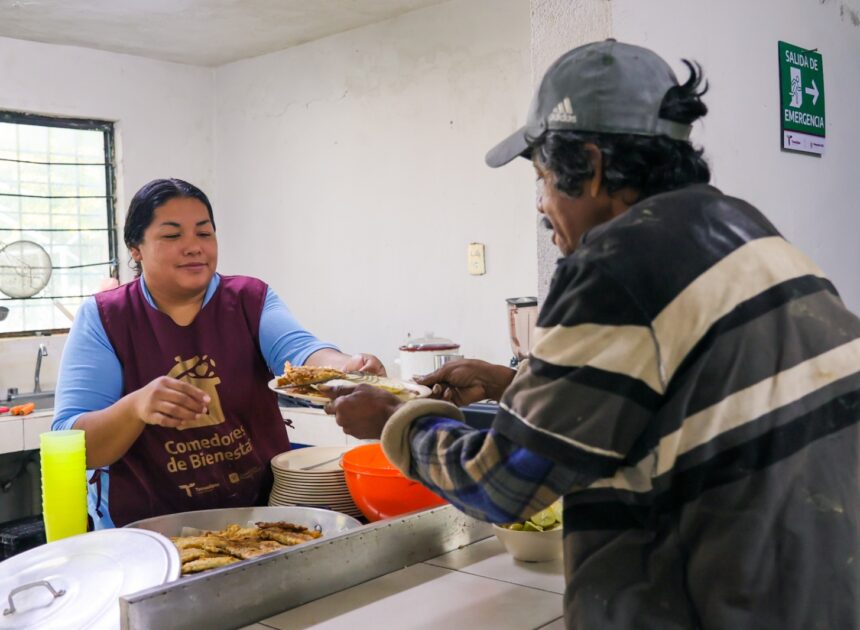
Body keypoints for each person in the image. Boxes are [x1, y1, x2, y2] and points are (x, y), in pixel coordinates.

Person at [324, 41, 859, 629]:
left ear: (591, 163)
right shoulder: (747, 230)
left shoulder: (617, 262)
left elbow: (502, 484)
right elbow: (686, 397)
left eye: (544, 176)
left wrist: (395, 420)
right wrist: (513, 384)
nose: (541, 204)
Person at [53, 178, 384, 529]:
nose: (194, 247)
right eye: (172, 235)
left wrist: (348, 367)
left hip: (259, 521)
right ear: (136, 247)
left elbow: (301, 351)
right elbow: (72, 444)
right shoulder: (107, 317)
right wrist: (137, 407)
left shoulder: (248, 300)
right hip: (147, 532)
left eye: (204, 233)